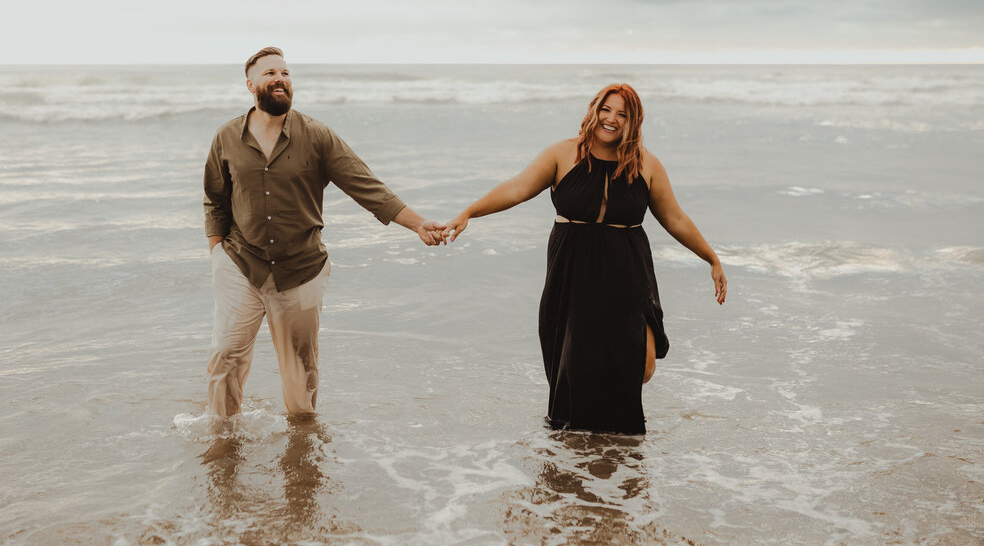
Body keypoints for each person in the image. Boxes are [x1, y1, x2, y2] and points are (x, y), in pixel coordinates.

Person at [443, 83, 727, 435]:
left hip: (627, 271)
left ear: (633, 121)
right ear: (594, 110)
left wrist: (711, 258)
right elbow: (516, 188)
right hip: (572, 270)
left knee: (641, 365)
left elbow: (675, 219)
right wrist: (469, 212)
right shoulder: (563, 155)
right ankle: (580, 457)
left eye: (622, 114)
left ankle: (615, 447)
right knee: (576, 366)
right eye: (606, 110)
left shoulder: (647, 164)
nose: (612, 119)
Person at [203, 46, 444, 418]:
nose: (280, 79)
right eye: (269, 74)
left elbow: (366, 186)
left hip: (300, 269)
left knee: (302, 375)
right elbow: (215, 199)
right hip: (240, 264)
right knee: (226, 358)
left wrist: (417, 224)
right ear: (250, 84)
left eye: (285, 73)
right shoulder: (227, 138)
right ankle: (222, 442)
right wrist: (217, 252)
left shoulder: (316, 136)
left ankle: (302, 448)